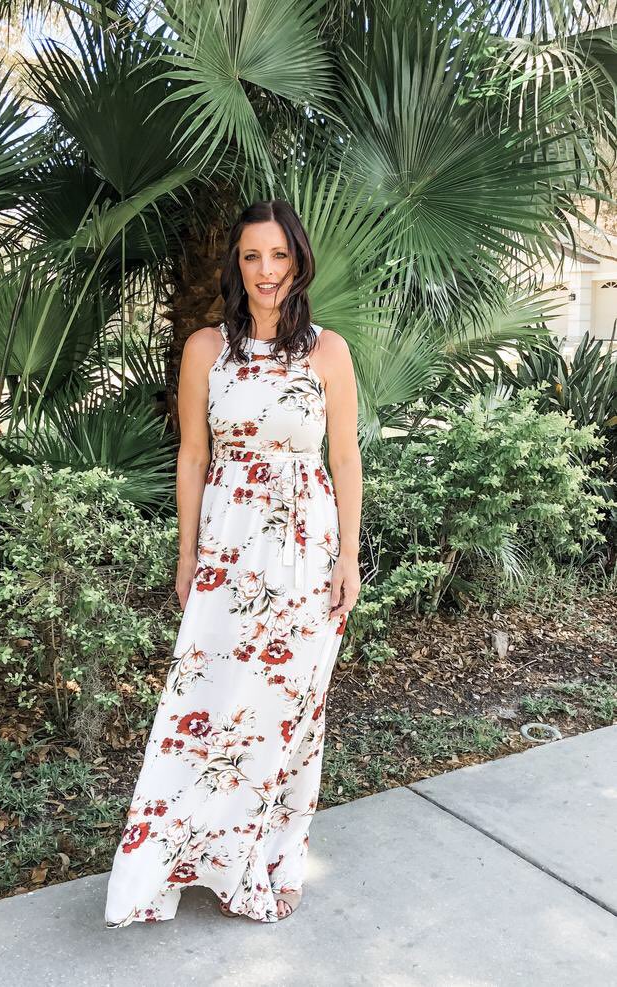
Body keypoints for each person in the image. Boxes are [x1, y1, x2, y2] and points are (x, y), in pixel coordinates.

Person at [104, 199, 362, 927]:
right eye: (252, 256)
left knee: (288, 712)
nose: (266, 270)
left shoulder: (329, 352)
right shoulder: (205, 349)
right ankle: (175, 858)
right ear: (236, 266)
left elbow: (345, 458)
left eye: (278, 255)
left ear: (298, 262)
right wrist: (187, 554)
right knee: (204, 701)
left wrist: (348, 557)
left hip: (307, 555)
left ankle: (267, 859)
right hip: (227, 548)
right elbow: (193, 455)